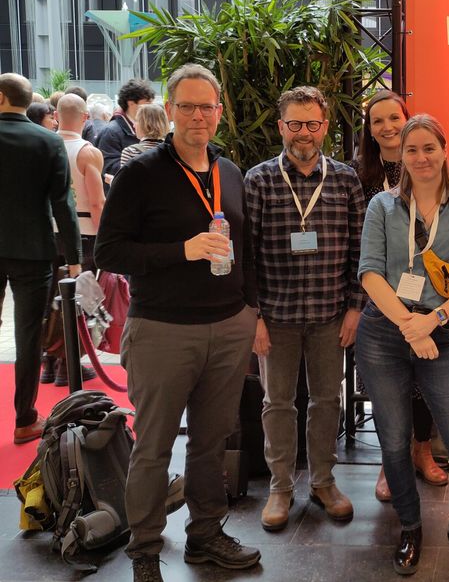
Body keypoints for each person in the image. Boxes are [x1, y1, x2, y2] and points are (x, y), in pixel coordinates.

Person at [95, 63, 260, 582]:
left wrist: (250, 308)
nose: (196, 116)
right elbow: (110, 250)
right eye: (185, 106)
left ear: (219, 112)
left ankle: (205, 535)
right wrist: (182, 250)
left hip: (229, 326)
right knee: (155, 444)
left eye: (206, 107)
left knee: (212, 442)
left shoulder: (229, 172)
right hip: (163, 330)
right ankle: (144, 550)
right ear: (168, 111)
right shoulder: (141, 173)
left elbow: (246, 248)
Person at [355, 114, 449, 581]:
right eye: (411, 150)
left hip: (445, 332)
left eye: (429, 148)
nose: (421, 158)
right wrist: (409, 326)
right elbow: (370, 273)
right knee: (395, 443)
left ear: (445, 151)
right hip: (384, 332)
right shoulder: (382, 206)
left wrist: (433, 321)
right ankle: (410, 527)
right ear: (400, 156)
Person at [245, 85, 363, 531]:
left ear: (325, 127)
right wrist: (254, 315)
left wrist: (355, 309)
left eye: (312, 124)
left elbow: (359, 251)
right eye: (294, 124)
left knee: (327, 399)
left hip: (331, 315)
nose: (304, 133)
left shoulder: (346, 179)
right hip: (275, 316)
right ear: (281, 127)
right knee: (277, 403)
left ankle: (323, 481)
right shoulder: (258, 179)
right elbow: (247, 255)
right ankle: (279, 487)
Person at [350, 89, 449, 500]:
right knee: (386, 388)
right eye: (378, 121)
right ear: (369, 131)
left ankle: (422, 453)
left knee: (423, 384)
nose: (387, 127)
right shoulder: (359, 176)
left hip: (429, 297)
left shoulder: (431, 170)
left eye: (395, 118)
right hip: (379, 296)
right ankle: (389, 464)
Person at [0, 73, 81, 444]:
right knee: (29, 336)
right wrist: (76, 258)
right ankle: (24, 418)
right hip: (32, 251)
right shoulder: (47, 141)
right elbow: (63, 205)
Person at [47, 93, 106, 385]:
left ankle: (49, 361)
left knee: (51, 298)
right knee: (79, 299)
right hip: (85, 233)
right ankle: (68, 364)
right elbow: (97, 203)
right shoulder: (87, 152)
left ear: (56, 115)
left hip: (48, 231)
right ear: (85, 118)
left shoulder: (44, 146)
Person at [96, 77, 155, 183]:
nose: (151, 107)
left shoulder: (145, 127)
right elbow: (109, 168)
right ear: (131, 103)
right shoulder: (110, 132)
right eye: (147, 103)